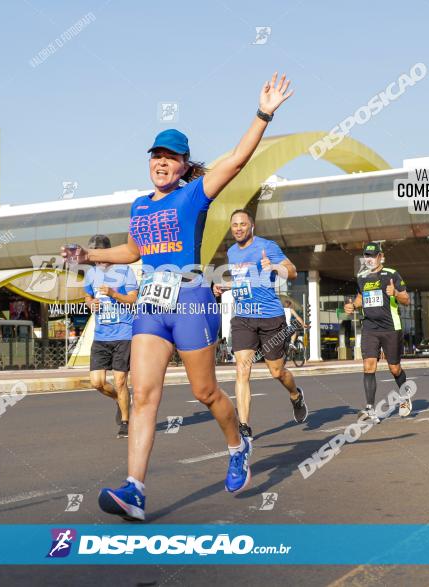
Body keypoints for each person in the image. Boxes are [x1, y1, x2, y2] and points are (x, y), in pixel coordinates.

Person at [63, 73, 294, 521]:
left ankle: (237, 444)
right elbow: (134, 250)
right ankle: (135, 491)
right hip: (151, 306)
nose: (162, 163)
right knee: (145, 393)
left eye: (171, 157)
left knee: (205, 391)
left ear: (186, 165)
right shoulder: (140, 206)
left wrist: (264, 113)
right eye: (157, 156)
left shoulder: (194, 195)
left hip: (190, 301)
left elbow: (237, 161)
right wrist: (87, 254)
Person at [213, 209, 308, 439]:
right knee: (242, 369)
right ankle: (244, 426)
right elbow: (242, 281)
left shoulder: (268, 247)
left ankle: (295, 395)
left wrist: (275, 268)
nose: (238, 228)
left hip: (270, 317)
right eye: (234, 224)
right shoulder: (232, 251)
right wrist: (225, 286)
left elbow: (293, 271)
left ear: (251, 226)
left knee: (277, 372)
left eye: (242, 224)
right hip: (244, 318)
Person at [343, 241, 413, 423]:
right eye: (366, 255)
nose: (369, 259)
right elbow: (360, 298)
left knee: (394, 368)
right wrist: (352, 306)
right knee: (368, 366)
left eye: (373, 256)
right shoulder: (362, 277)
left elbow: (407, 299)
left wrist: (395, 293)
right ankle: (370, 408)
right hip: (370, 328)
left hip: (391, 328)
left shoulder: (392, 274)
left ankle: (405, 396)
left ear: (380, 256)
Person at [83, 234, 139, 438]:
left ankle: (125, 422)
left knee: (121, 380)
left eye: (98, 253)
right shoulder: (91, 274)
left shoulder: (125, 270)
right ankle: (120, 399)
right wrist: (91, 304)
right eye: (93, 255)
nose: (96, 258)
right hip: (101, 335)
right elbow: (87, 296)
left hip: (123, 332)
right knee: (97, 382)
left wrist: (113, 293)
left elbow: (133, 299)